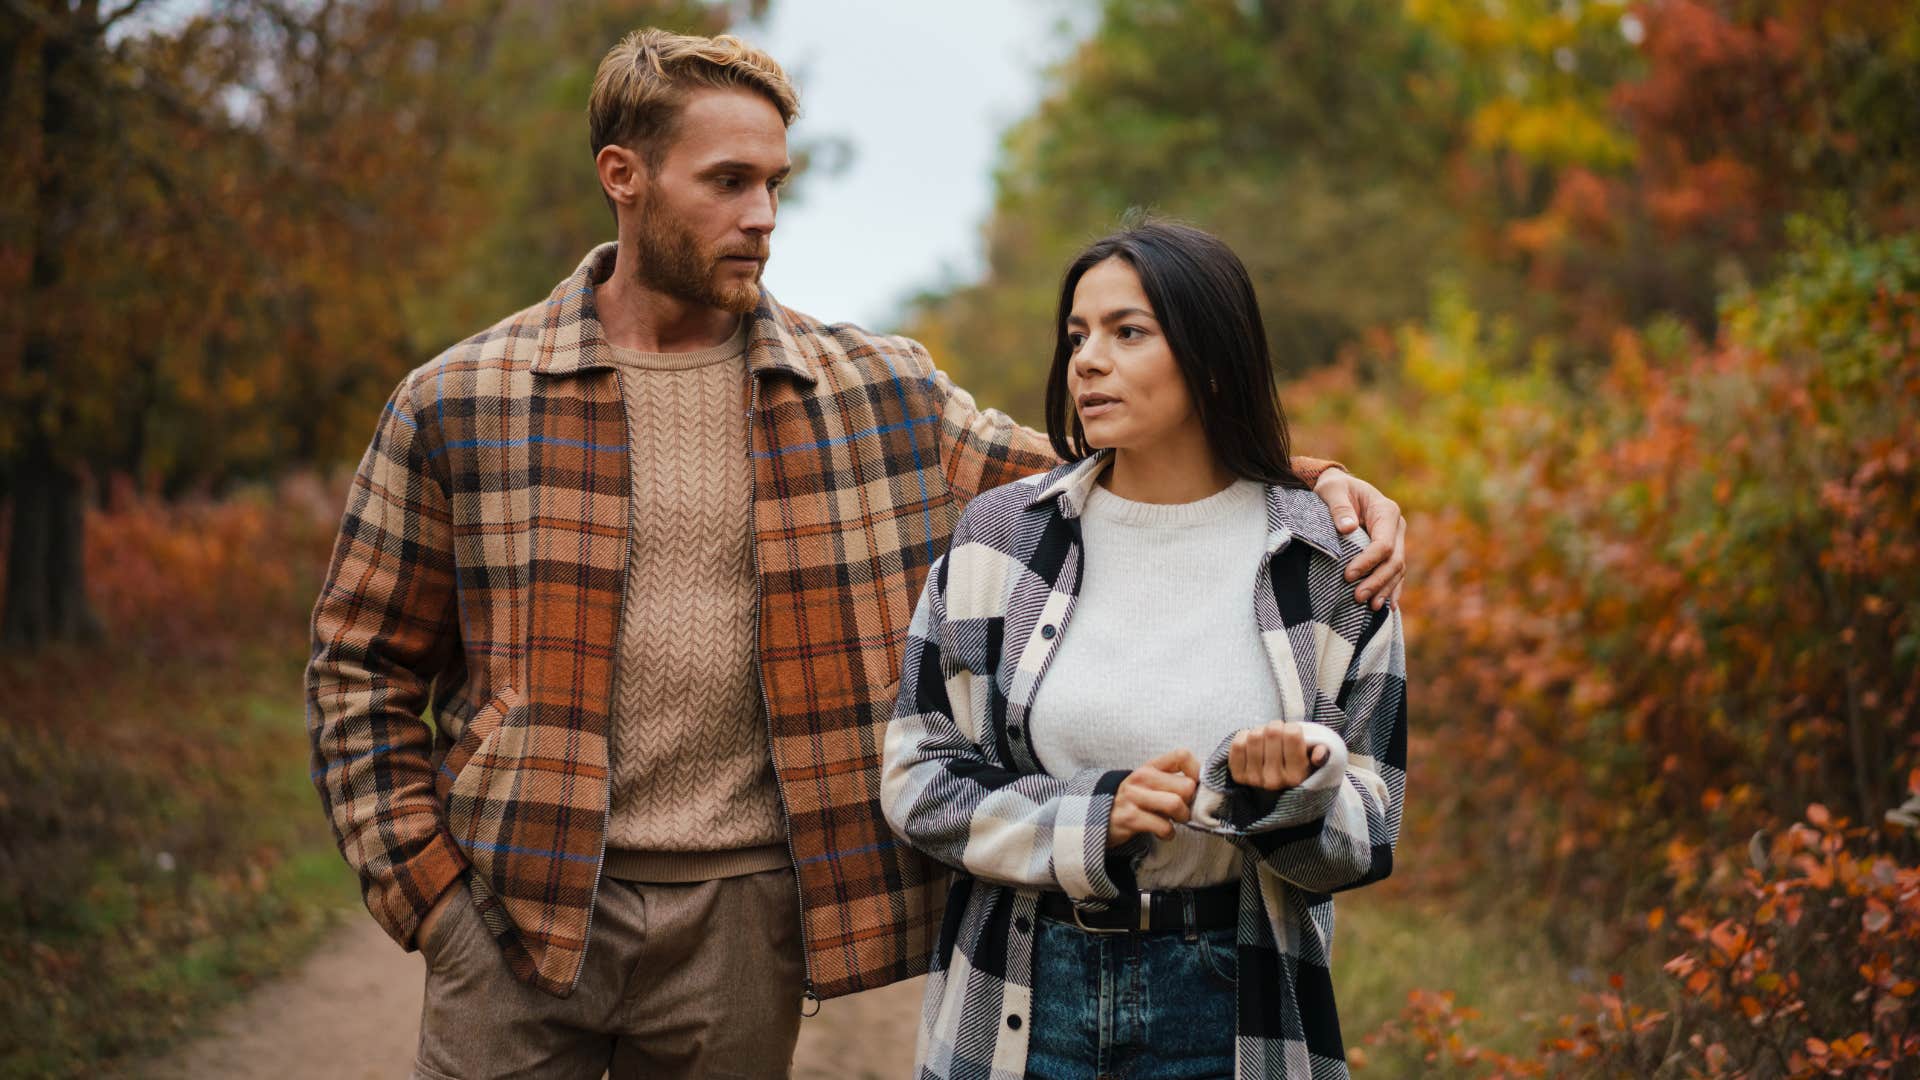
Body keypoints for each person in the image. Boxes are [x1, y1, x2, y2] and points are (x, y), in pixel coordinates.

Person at [305, 28, 1407, 1080]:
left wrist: (1304, 478)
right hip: (513, 907)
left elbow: (1108, 473)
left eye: (776, 183)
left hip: (742, 923)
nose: (764, 215)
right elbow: (360, 666)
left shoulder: (872, 391)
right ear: (623, 175)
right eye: (728, 181)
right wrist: (432, 898)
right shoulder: (464, 402)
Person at [881, 219, 1407, 1080]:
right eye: (1078, 336)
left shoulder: (1329, 567)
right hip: (1021, 988)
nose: (1088, 359)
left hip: (1233, 1001)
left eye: (1129, 333)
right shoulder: (1002, 542)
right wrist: (1093, 822)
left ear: (1210, 355)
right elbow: (918, 779)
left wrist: (1287, 795)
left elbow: (1370, 835)